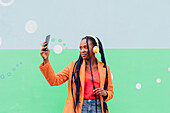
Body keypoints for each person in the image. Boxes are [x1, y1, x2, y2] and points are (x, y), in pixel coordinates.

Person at [39, 35, 114, 113]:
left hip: (98, 107)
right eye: (80, 48)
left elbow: (110, 92)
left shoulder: (104, 68)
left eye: (85, 47)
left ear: (95, 49)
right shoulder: (73, 66)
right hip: (78, 107)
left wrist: (105, 93)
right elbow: (54, 81)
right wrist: (46, 60)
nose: (82, 50)